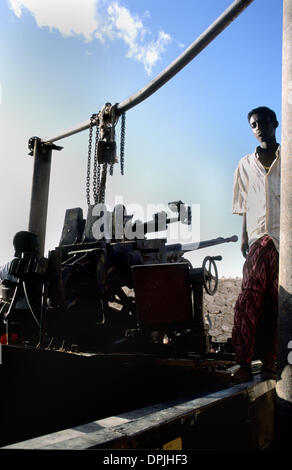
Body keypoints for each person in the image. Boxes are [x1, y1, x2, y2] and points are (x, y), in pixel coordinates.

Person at [231, 106, 280, 383]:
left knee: (277, 301)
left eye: (263, 122)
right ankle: (243, 363)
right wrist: (245, 237)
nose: (258, 127)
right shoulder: (244, 165)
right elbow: (245, 204)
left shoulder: (288, 158)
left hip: (284, 239)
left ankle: (271, 364)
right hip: (258, 235)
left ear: (274, 123)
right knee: (250, 296)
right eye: (253, 124)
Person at [0, 231, 40, 344]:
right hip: (30, 316)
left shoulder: (4, 268)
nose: (37, 250)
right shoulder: (34, 268)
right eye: (35, 246)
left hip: (10, 315)